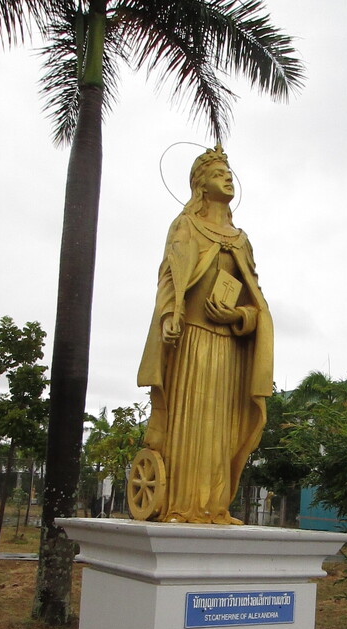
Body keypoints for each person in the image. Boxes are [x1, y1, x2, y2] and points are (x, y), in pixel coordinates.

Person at [136, 144, 273, 523]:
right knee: (191, 421)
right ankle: (181, 504)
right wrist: (169, 314)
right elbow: (170, 276)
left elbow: (254, 299)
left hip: (229, 349)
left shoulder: (241, 239)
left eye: (229, 174)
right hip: (192, 340)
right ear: (200, 185)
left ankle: (215, 506)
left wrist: (237, 317)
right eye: (217, 174)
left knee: (221, 430)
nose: (227, 178)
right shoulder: (185, 225)